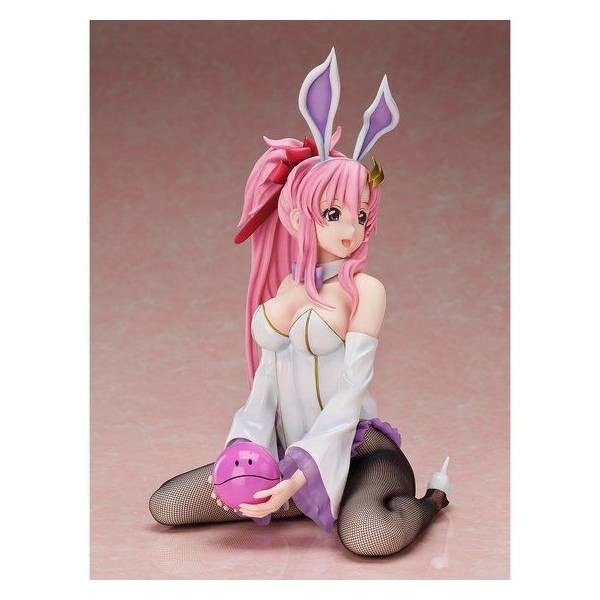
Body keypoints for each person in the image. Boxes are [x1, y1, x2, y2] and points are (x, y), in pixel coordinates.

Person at [149, 48, 450, 557]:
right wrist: (246, 450)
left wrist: (299, 475)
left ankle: (433, 500)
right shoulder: (284, 286)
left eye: (361, 215)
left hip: (356, 449)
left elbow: (350, 393)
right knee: (169, 505)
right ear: (297, 214)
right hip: (289, 448)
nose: (352, 230)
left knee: (369, 535)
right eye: (334, 214)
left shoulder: (366, 291)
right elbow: (264, 386)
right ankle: (300, 498)